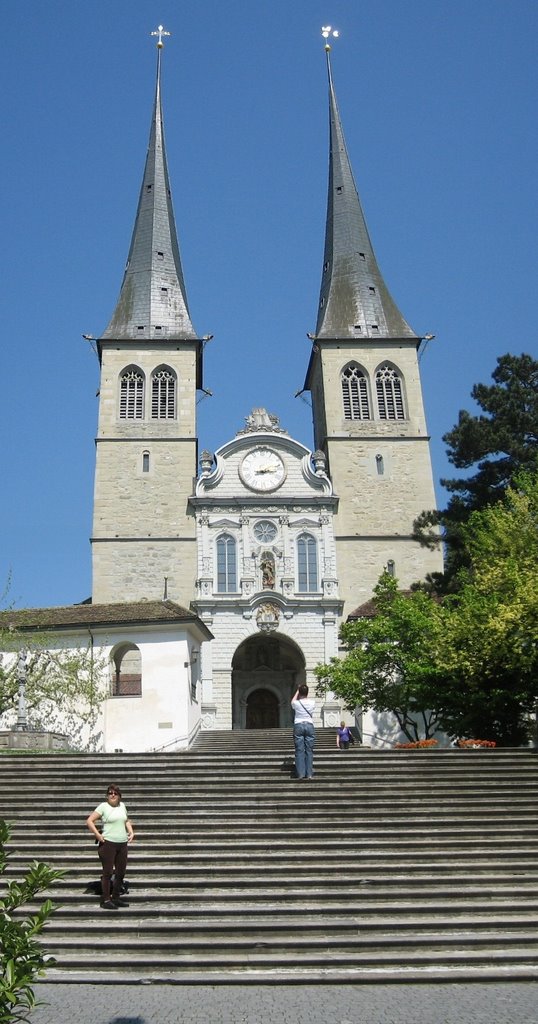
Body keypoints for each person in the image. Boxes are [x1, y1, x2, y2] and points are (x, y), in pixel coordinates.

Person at [86, 784, 134, 910]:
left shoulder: (122, 806)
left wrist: (131, 832)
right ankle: (106, 899)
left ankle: (116, 897)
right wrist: (98, 835)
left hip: (122, 843)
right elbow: (90, 821)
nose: (112, 795)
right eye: (110, 793)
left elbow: (126, 820)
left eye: (115, 793)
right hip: (108, 844)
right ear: (107, 795)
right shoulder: (103, 806)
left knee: (120, 872)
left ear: (119, 796)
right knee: (107, 872)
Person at [291, 684, 315, 779]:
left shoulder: (296, 703)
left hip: (298, 725)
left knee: (299, 750)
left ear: (300, 693)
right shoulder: (312, 702)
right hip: (309, 725)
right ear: (307, 693)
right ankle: (309, 774)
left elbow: (292, 701)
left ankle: (300, 773)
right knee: (309, 751)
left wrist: (297, 691)